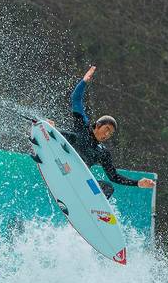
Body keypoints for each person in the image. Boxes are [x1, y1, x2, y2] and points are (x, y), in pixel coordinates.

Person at [59, 65, 156, 199]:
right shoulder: (83, 125)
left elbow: (114, 176)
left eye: (110, 134)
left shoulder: (102, 152)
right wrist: (84, 81)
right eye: (107, 130)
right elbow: (76, 99)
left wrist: (138, 183)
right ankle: (44, 135)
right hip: (62, 164)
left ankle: (89, 208)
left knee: (107, 188)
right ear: (98, 125)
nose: (107, 135)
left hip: (79, 181)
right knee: (70, 135)